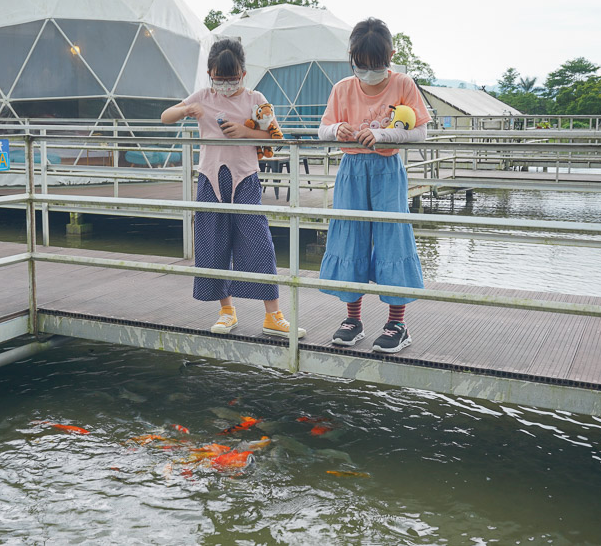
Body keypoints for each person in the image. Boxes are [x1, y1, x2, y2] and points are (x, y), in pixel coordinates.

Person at [161, 37, 305, 339]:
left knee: (259, 243)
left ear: (243, 73)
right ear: (211, 74)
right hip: (211, 180)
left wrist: (244, 131)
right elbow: (165, 117)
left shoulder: (255, 99)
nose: (225, 85)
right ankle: (226, 311)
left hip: (245, 179)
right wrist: (190, 109)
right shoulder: (203, 95)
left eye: (232, 79)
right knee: (213, 245)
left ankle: (273, 316)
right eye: (219, 79)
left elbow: (275, 137)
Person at [317, 18, 430, 353]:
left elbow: (420, 132)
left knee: (392, 237)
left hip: (387, 169)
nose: (368, 72)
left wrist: (382, 135)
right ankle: (353, 319)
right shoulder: (342, 88)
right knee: (350, 236)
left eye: (376, 65)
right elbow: (322, 129)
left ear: (390, 56)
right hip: (351, 168)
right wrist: (337, 130)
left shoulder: (404, 84)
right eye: (361, 66)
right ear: (352, 57)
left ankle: (397, 322)